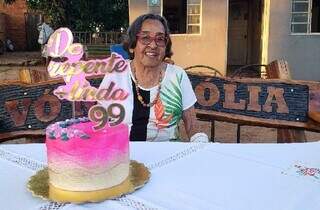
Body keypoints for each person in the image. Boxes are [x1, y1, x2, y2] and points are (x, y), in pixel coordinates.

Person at [99, 13, 208, 142]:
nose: (153, 45)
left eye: (160, 39)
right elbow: (100, 122)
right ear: (132, 45)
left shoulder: (177, 76)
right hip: (125, 155)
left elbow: (192, 124)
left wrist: (200, 142)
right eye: (145, 38)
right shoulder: (115, 76)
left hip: (168, 155)